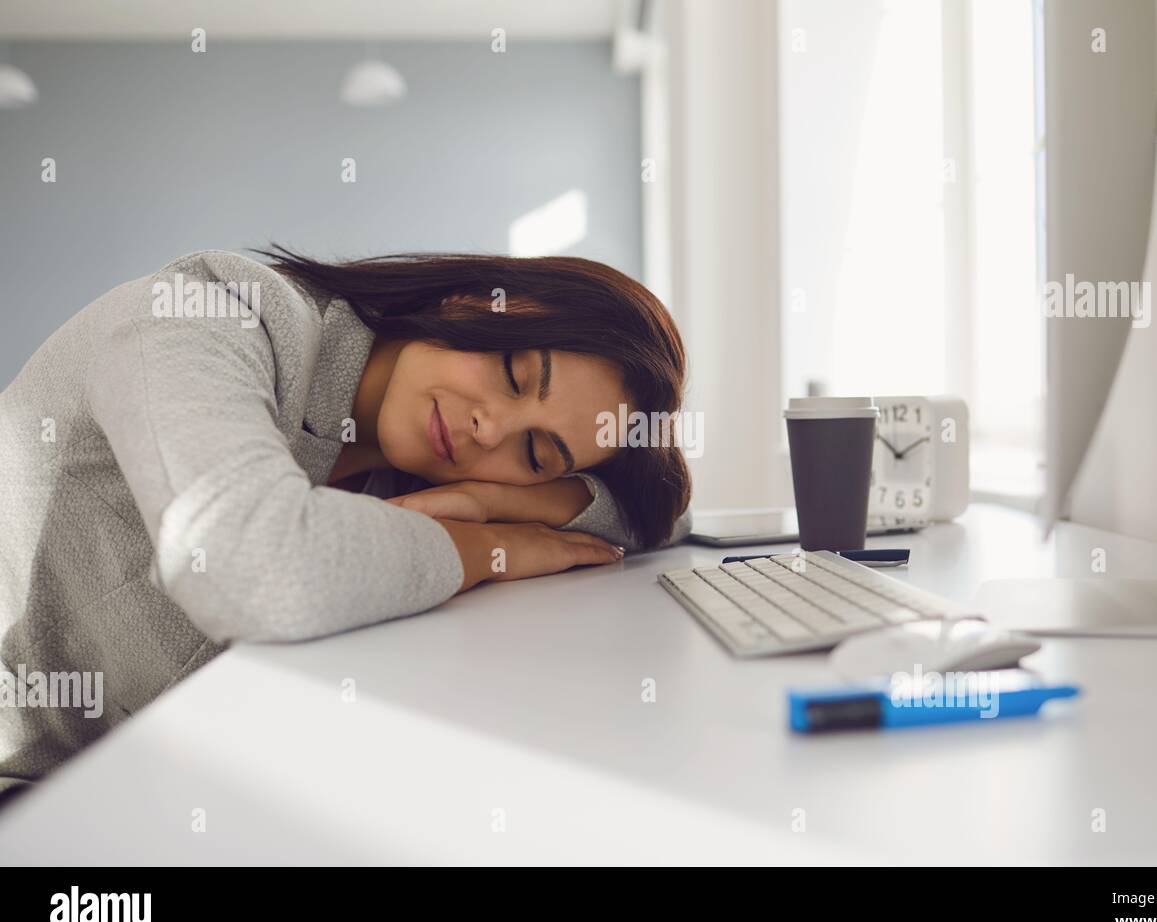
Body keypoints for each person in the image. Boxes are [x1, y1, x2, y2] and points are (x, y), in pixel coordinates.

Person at [0, 247, 692, 803]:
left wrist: (500, 500)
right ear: (472, 301)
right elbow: (246, 567)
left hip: (119, 790)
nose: (492, 430)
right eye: (515, 376)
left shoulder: (400, 471)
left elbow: (654, 513)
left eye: (537, 452)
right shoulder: (202, 317)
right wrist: (487, 546)